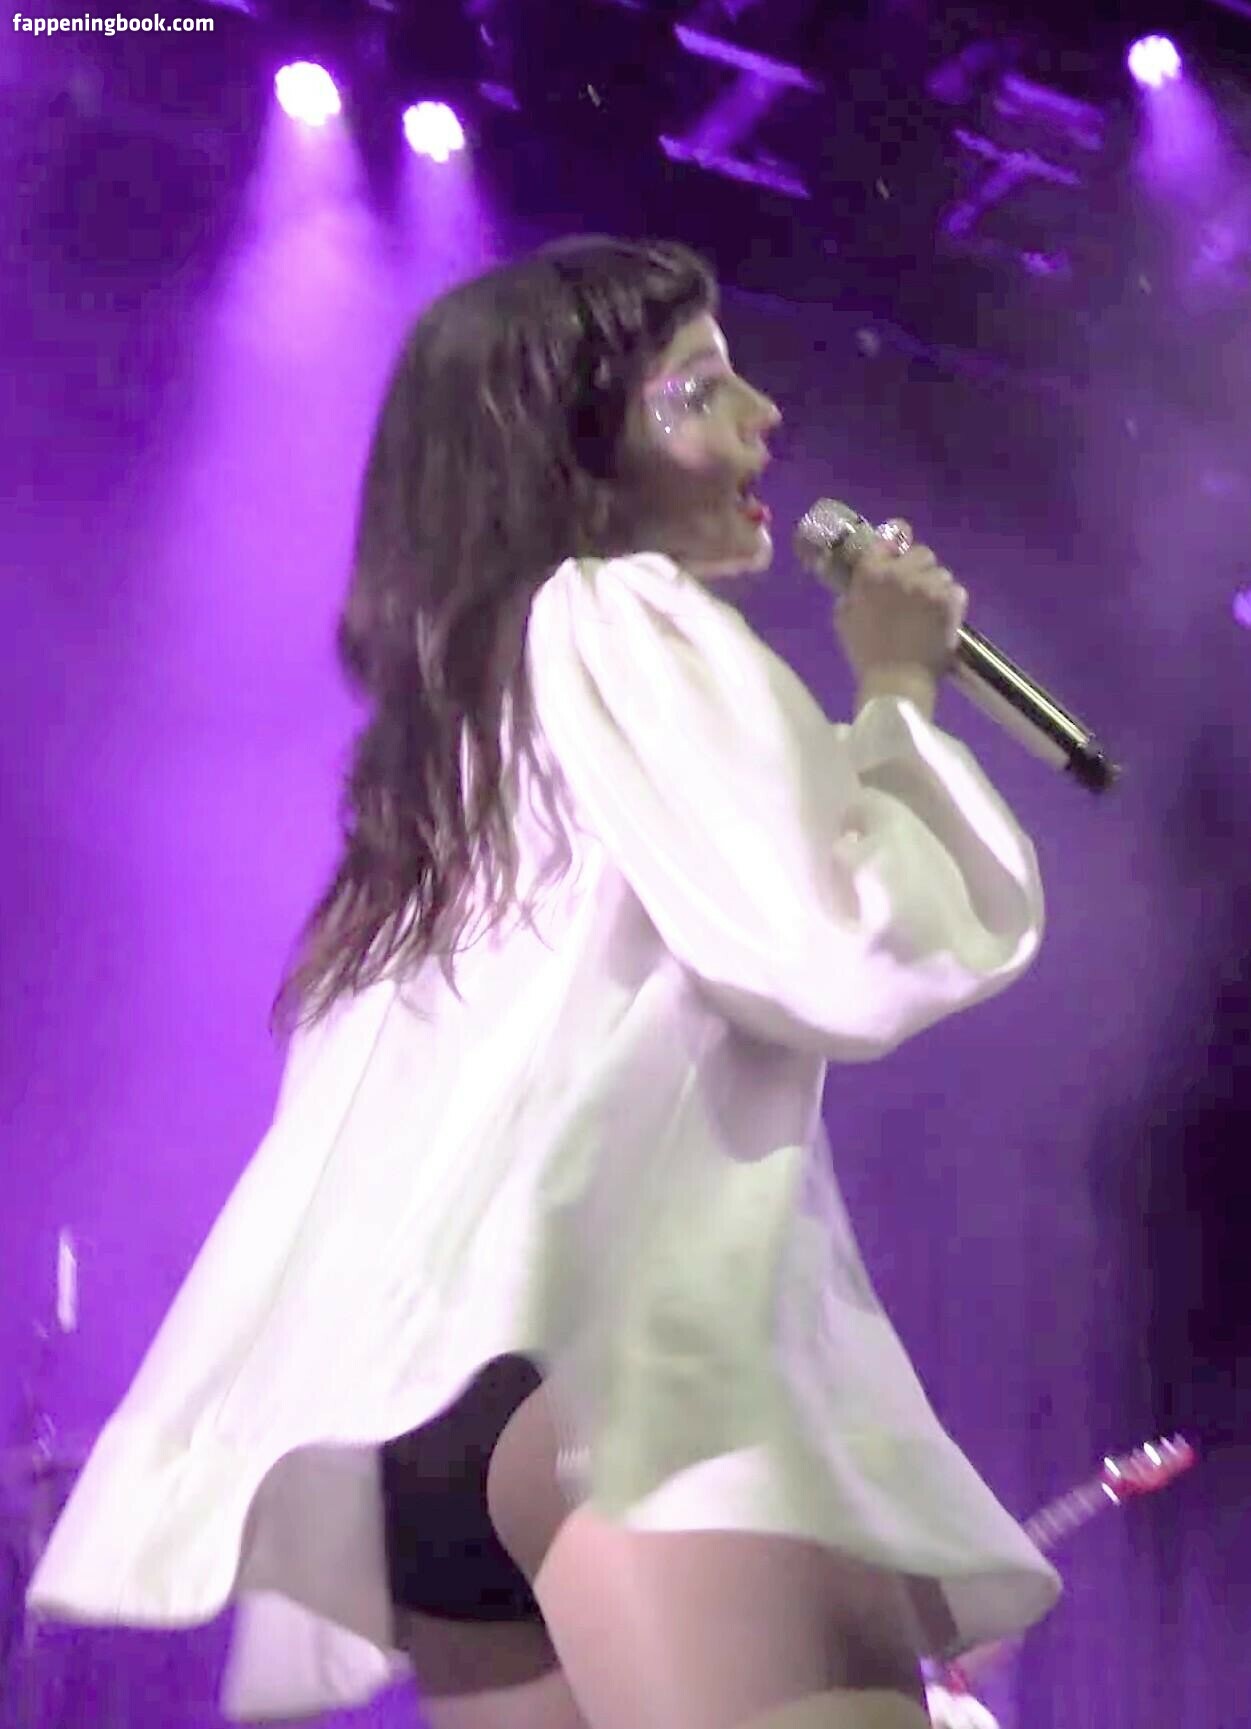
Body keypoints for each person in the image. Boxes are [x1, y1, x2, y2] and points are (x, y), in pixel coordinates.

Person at [27, 237, 1060, 1729]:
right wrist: (897, 693)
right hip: (611, 1367)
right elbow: (838, 944)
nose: (765, 417)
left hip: (432, 1434)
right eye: (698, 391)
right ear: (576, 464)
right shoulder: (617, 615)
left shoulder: (448, 751)